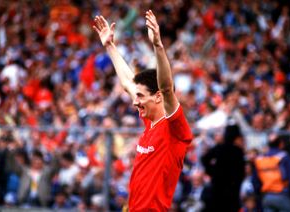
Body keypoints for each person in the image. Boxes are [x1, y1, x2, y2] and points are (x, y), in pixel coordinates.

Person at [93, 10, 193, 211]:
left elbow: (166, 87)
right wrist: (110, 46)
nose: (134, 102)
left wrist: (157, 45)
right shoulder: (150, 122)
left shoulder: (175, 128)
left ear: (158, 97)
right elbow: (128, 84)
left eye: (140, 96)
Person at [201, 123, 245, 212]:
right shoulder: (238, 151)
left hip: (217, 187)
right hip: (232, 190)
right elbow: (241, 173)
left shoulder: (219, 148)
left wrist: (211, 171)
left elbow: (204, 159)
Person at [253, 134, 290, 211]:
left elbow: (255, 182)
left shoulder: (260, 160)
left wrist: (260, 197)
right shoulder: (284, 157)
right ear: (281, 144)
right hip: (283, 196)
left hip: (267, 197)